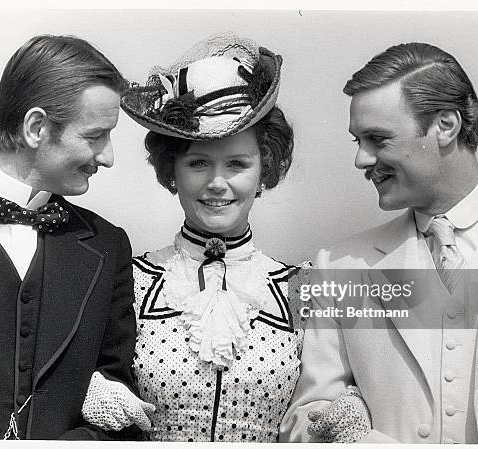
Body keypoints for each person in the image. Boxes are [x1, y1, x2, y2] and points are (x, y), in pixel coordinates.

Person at [80, 33, 371, 443]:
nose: (218, 183)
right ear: (172, 170)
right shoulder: (127, 280)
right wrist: (82, 389)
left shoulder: (305, 287)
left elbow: (324, 401)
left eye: (237, 163)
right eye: (198, 163)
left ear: (264, 168)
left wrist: (347, 405)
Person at [279, 42, 478, 444]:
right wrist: (347, 434)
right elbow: (299, 421)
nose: (361, 160)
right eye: (357, 141)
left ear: (446, 126)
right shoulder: (334, 265)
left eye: (377, 139)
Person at [0, 34, 142, 440]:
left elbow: (119, 403)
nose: (108, 157)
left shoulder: (106, 245)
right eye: (95, 136)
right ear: (36, 128)